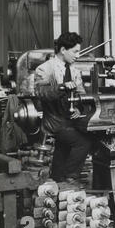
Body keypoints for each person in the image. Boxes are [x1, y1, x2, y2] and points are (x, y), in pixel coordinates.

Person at [34, 32, 92, 184]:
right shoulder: (45, 69)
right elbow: (41, 93)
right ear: (63, 50)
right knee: (83, 142)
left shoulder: (75, 71)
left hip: (71, 121)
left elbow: (81, 97)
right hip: (55, 122)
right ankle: (70, 177)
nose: (78, 55)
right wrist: (62, 87)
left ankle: (57, 179)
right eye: (75, 51)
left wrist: (80, 109)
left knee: (64, 147)